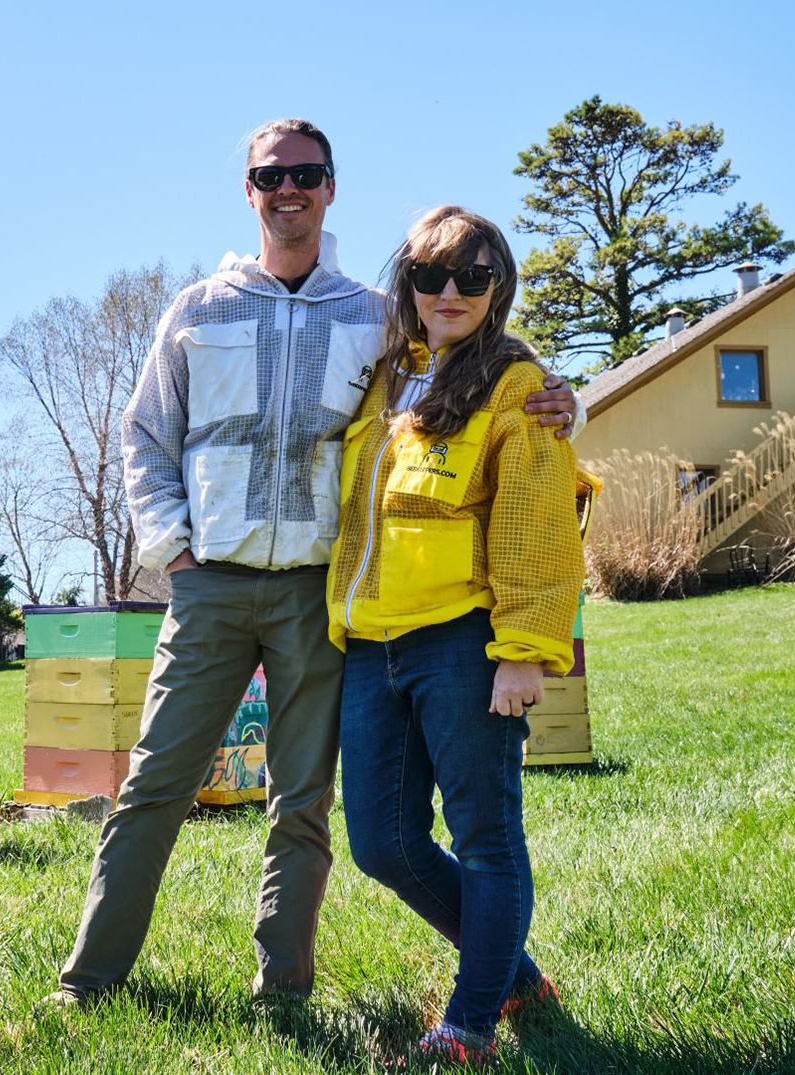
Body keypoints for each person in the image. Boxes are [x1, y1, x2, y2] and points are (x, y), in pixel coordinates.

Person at [48, 120, 583, 1007]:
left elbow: (479, 367)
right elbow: (146, 435)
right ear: (249, 190)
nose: (288, 187)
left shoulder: (371, 317)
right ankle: (88, 980)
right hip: (209, 585)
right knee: (151, 786)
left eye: (307, 172)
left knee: (300, 805)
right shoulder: (197, 308)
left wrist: (573, 404)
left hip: (316, 594)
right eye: (270, 174)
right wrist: (171, 549)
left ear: (331, 186)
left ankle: (283, 993)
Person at [327, 206, 586, 1064]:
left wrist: (522, 649)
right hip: (371, 642)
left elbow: (538, 523)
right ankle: (515, 976)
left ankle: (468, 1024)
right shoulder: (384, 377)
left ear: (497, 288)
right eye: (430, 276)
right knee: (381, 842)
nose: (449, 292)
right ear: (407, 285)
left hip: (461, 641)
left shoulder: (519, 386)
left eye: (471, 277)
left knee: (484, 836)